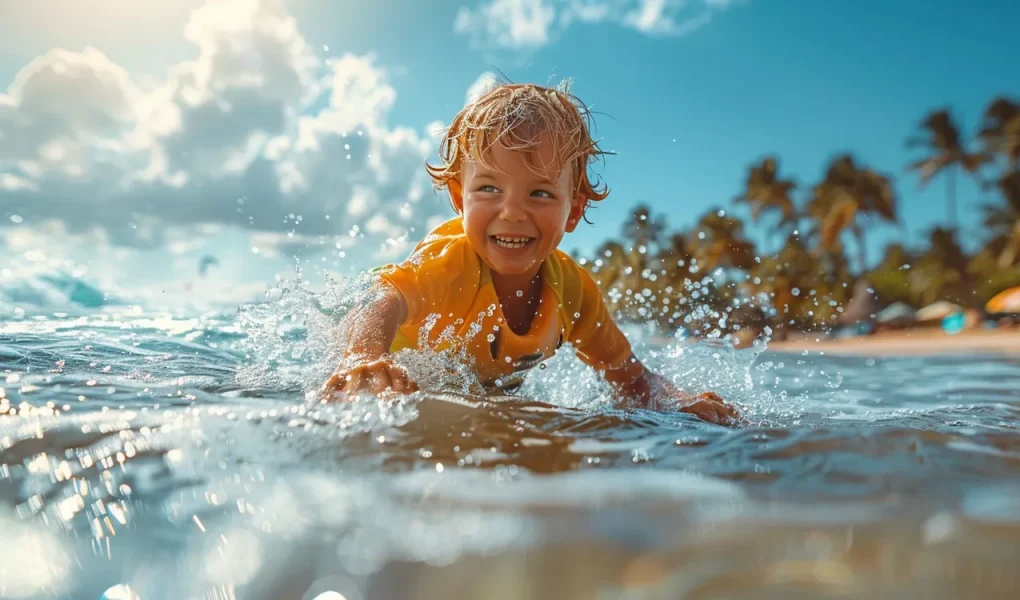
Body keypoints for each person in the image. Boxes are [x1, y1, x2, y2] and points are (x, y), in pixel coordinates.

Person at [321, 82, 739, 425]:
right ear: (459, 198)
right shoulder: (451, 263)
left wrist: (677, 403)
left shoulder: (572, 292)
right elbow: (384, 297)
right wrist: (363, 356)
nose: (513, 212)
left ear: (572, 210)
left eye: (539, 192)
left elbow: (630, 377)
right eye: (489, 188)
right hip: (380, 326)